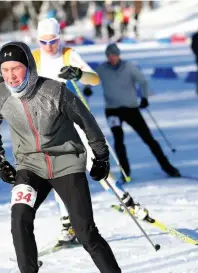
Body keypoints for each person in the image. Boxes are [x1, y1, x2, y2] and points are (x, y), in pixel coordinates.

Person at [0, 41, 144, 273]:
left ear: (29, 67)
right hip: (30, 167)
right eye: (5, 69)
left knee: (85, 232)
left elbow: (86, 120)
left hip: (66, 164)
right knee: (19, 218)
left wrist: (101, 156)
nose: (11, 76)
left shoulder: (53, 91)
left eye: (16, 68)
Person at [30, 17, 150, 247]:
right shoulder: (34, 58)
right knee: (57, 172)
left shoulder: (68, 54)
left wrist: (76, 73)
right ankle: (68, 225)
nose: (48, 46)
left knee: (93, 162)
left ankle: (124, 200)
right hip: (49, 123)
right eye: (43, 42)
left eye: (53, 41)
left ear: (59, 38)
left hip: (75, 119)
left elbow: (94, 79)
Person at [92, 43, 181, 180]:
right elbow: (91, 80)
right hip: (112, 110)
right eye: (109, 56)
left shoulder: (128, 67)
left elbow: (143, 82)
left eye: (114, 55)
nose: (112, 58)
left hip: (131, 109)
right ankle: (125, 171)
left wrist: (144, 98)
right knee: (118, 141)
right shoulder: (102, 69)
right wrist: (87, 88)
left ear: (119, 55)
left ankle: (167, 167)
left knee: (148, 139)